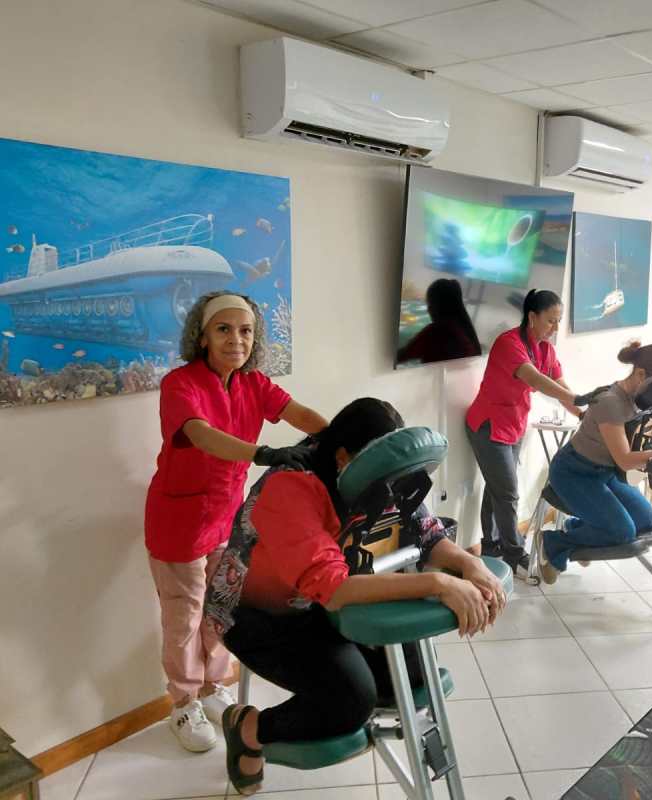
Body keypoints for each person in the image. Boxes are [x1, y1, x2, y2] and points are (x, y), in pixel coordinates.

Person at [204, 397, 508, 796]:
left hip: (316, 598)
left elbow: (427, 534)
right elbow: (335, 590)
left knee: (416, 675)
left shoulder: (379, 474)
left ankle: (342, 699)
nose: (392, 488)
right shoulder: (290, 487)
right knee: (351, 700)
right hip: (256, 613)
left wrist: (471, 567)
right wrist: (439, 584)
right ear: (344, 458)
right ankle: (248, 727)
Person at [144, 291, 327, 753]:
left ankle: (213, 684)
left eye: (245, 331)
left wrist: (339, 439)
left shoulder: (253, 383)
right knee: (184, 613)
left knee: (222, 605)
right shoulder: (179, 384)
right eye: (223, 329)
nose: (236, 340)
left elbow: (297, 412)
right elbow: (202, 436)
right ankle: (184, 701)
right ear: (202, 337)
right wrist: (263, 453)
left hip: (226, 515)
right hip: (179, 519)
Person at [533, 341, 652, 584]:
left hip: (604, 473)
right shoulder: (611, 403)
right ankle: (553, 542)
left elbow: (648, 438)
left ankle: (581, 528)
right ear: (640, 374)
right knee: (621, 532)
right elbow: (626, 460)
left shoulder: (640, 402)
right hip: (574, 473)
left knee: (645, 519)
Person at [465, 289, 582, 572]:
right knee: (508, 492)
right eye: (551, 321)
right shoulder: (509, 343)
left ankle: (491, 546)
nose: (556, 328)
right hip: (488, 424)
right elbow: (537, 380)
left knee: (497, 487)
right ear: (532, 316)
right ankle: (514, 553)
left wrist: (583, 412)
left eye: (559, 321)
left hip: (515, 424)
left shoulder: (546, 349)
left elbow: (561, 386)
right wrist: (580, 401)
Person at [397, 278, 481, 364]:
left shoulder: (435, 332)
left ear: (439, 306)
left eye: (430, 304)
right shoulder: (466, 331)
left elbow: (401, 355)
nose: (428, 310)